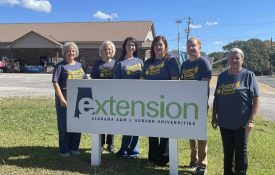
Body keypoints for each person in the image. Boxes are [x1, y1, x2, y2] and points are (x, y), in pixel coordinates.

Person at [212, 48, 260, 175]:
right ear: (228, 60)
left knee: (240, 151)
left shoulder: (249, 75)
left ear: (242, 60)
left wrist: (251, 119)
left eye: (237, 58)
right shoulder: (222, 77)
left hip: (242, 123)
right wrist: (214, 116)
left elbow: (256, 99)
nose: (234, 60)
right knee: (228, 151)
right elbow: (217, 97)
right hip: (224, 122)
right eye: (231, 58)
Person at [141, 35, 180, 166]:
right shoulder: (148, 62)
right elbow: (142, 81)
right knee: (152, 129)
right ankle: (152, 157)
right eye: (156, 45)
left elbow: (175, 81)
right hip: (150, 102)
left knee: (165, 129)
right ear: (153, 47)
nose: (158, 47)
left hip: (166, 101)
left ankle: (163, 158)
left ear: (165, 46)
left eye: (161, 45)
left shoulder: (171, 61)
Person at [180, 37, 211, 175]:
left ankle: (202, 164)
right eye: (189, 46)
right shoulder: (184, 65)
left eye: (193, 45)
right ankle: (193, 159)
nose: (191, 48)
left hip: (200, 104)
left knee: (201, 134)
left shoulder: (204, 63)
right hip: (188, 105)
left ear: (199, 47)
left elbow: (204, 86)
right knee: (191, 133)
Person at [52, 42, 87, 157]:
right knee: (64, 125)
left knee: (77, 124)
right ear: (64, 53)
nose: (71, 53)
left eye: (73, 51)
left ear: (76, 53)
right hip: (65, 100)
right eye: (68, 51)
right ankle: (64, 149)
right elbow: (55, 83)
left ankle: (74, 147)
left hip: (78, 100)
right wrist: (61, 99)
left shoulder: (80, 66)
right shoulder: (60, 66)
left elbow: (85, 81)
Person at [114, 37, 143, 158]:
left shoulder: (140, 62)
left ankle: (134, 150)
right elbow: (117, 82)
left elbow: (144, 79)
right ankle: (124, 149)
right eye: (128, 45)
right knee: (127, 124)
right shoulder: (119, 62)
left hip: (139, 98)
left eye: (133, 45)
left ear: (135, 47)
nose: (130, 47)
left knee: (137, 124)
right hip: (125, 98)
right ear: (124, 47)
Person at [90, 40, 116, 153]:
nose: (107, 51)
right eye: (105, 49)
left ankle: (110, 144)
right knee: (100, 120)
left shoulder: (116, 63)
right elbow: (93, 80)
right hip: (100, 97)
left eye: (109, 49)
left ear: (112, 50)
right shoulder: (97, 64)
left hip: (113, 97)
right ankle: (100, 144)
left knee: (111, 120)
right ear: (101, 51)